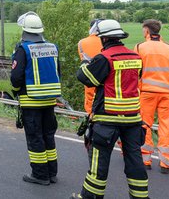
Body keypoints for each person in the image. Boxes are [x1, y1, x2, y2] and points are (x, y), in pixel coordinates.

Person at [71, 19, 148, 199]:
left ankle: (89, 197)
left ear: (103, 39)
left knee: (99, 163)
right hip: (132, 120)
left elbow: (86, 78)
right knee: (134, 160)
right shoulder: (135, 57)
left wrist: (84, 63)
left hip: (107, 120)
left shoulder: (104, 58)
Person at [10, 12, 61, 186]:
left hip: (31, 101)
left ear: (24, 30)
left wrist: (16, 90)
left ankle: (40, 175)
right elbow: (57, 72)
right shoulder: (53, 47)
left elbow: (16, 77)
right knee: (48, 136)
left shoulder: (23, 49)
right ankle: (52, 172)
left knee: (35, 137)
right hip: (50, 101)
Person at [135, 19, 169, 173]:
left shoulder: (140, 47)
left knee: (144, 125)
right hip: (167, 94)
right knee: (166, 127)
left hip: (146, 93)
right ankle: (165, 163)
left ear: (147, 31)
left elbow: (135, 73)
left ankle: (145, 160)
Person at [78, 20, 103, 115]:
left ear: (90, 28)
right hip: (106, 78)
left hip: (88, 78)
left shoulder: (81, 42)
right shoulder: (107, 40)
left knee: (90, 106)